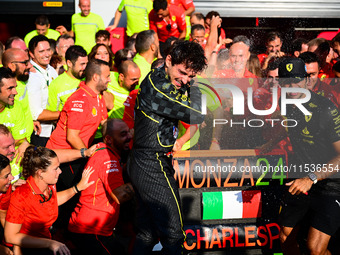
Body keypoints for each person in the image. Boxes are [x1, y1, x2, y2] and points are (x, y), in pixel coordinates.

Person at [127, 40, 206, 254]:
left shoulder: (165, 80)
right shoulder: (157, 85)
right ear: (168, 60)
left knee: (148, 233)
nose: (185, 80)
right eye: (182, 73)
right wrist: (195, 86)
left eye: (190, 75)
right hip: (150, 163)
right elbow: (197, 114)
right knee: (174, 235)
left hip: (151, 161)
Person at [277, 57, 340, 255]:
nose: (292, 86)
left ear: (306, 81)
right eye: (286, 82)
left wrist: (311, 178)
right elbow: (293, 128)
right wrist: (267, 144)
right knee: (285, 238)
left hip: (332, 185)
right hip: (304, 183)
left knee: (315, 248)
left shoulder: (326, 110)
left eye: (296, 80)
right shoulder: (284, 103)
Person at [4, 146, 94, 255]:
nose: (60, 171)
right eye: (56, 169)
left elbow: (52, 201)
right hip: (30, 249)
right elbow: (10, 236)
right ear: (40, 173)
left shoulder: (49, 184)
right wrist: (50, 243)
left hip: (47, 241)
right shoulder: (21, 196)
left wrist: (78, 187)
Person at [68, 119, 134, 254]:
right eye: (123, 134)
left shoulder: (108, 154)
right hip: (91, 230)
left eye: (129, 132)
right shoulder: (107, 157)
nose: (129, 137)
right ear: (108, 139)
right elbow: (119, 195)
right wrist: (146, 182)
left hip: (96, 229)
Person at [46, 59, 109, 189]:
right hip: (63, 158)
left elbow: (105, 123)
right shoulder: (80, 101)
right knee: (72, 197)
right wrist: (89, 157)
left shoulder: (98, 96)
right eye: (107, 76)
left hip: (78, 154)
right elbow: (72, 137)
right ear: (95, 77)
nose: (110, 80)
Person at [26, 35, 59, 146]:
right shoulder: (31, 75)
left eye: (48, 50)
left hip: (53, 130)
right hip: (39, 133)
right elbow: (36, 114)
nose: (47, 54)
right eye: (41, 51)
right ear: (31, 54)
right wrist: (65, 114)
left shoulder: (51, 70)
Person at [2, 48, 38, 143]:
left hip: (24, 141)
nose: (29, 66)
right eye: (25, 63)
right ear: (12, 65)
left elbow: (23, 110)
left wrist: (31, 121)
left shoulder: (22, 83)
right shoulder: (3, 83)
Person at [47, 45, 88, 112]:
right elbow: (52, 112)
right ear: (69, 63)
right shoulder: (56, 84)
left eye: (86, 64)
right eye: (82, 64)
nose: (85, 67)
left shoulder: (90, 78)